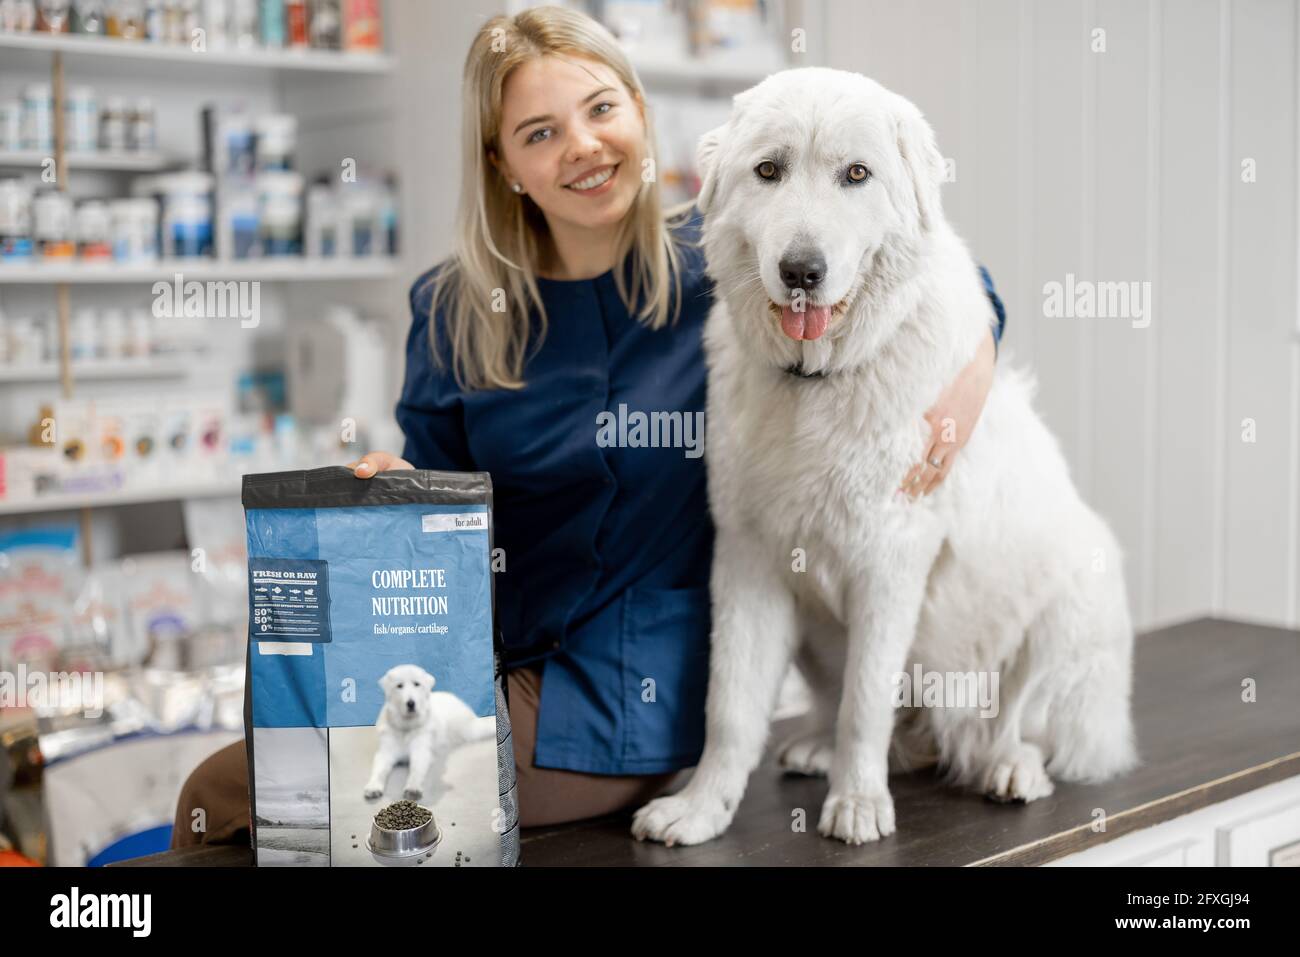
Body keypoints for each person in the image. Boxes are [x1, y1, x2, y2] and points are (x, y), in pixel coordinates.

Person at [172, 4, 1007, 848]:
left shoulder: (723, 264)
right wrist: (393, 494)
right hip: (495, 664)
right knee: (279, 775)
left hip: (635, 693)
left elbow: (922, 266)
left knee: (234, 791)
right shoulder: (457, 308)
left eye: (602, 109)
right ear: (503, 164)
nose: (583, 145)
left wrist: (970, 378)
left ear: (640, 114)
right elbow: (442, 513)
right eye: (540, 132)